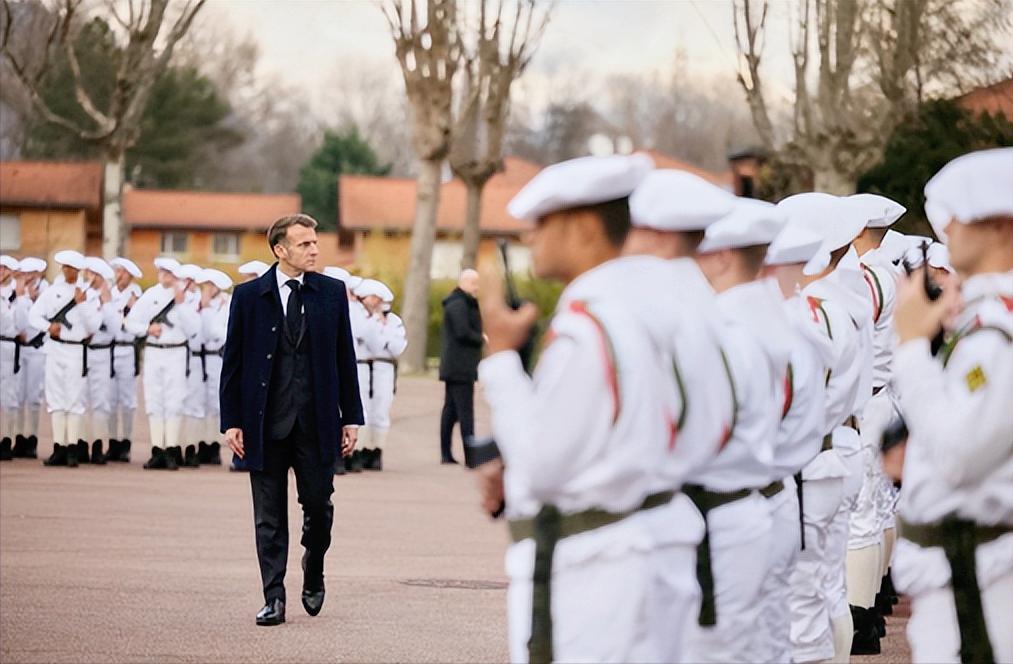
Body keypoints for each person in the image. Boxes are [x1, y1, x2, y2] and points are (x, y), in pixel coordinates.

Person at [476, 154, 671, 663]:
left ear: (584, 228)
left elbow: (541, 464)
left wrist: (499, 357)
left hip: (589, 569)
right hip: (623, 552)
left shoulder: (589, 328)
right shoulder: (634, 310)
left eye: (542, 223)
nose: (529, 238)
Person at [887, 147, 1013, 663]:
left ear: (1002, 227)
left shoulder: (994, 333)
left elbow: (962, 454)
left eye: (964, 215)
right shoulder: (982, 319)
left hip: (975, 577)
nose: (950, 227)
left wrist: (913, 346)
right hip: (966, 571)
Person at [220, 213, 363, 627]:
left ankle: (313, 563)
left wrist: (350, 417)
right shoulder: (248, 297)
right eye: (304, 244)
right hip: (263, 423)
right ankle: (274, 596)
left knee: (318, 507)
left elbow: (344, 358)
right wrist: (231, 420)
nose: (314, 249)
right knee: (268, 515)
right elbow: (233, 362)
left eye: (315, 242)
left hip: (317, 422)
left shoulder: (332, 293)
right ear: (280, 250)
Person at [623, 169, 737, 662]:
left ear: (658, 235)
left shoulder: (650, 308)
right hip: (691, 506)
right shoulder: (708, 305)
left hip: (650, 514)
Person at [682, 198, 788, 663]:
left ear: (723, 256)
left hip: (718, 517)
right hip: (754, 503)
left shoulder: (726, 329)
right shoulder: (767, 318)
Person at [776, 193, 869, 663]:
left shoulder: (813, 309)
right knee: (827, 590)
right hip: (843, 448)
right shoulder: (846, 299)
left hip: (814, 461)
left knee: (801, 602)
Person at [760, 224, 835, 663]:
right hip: (805, 469)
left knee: (797, 615)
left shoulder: (784, 326)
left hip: (785, 480)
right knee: (804, 607)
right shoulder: (806, 321)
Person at [29, 250, 103, 468]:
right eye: (64, 267)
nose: (67, 271)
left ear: (78, 271)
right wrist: (48, 326)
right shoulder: (53, 292)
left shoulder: (88, 294)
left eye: (71, 268)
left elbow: (94, 326)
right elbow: (34, 315)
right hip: (55, 348)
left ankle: (72, 448)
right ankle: (58, 447)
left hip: (75, 350)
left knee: (74, 399)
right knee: (56, 398)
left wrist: (81, 304)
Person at [124, 257, 200, 470]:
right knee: (154, 400)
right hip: (154, 352)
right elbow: (131, 322)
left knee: (174, 401)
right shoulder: (151, 295)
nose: (164, 276)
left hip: (176, 352)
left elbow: (194, 328)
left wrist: (181, 303)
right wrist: (147, 329)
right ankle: (157, 449)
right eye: (161, 272)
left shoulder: (186, 297)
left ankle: (172, 449)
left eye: (168, 273)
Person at [356, 278, 406, 472]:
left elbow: (397, 347)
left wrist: (383, 329)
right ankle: (359, 449)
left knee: (381, 409)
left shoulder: (393, 321)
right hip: (363, 366)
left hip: (383, 366)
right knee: (364, 409)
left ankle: (376, 450)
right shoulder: (360, 317)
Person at [439, 269, 483, 464]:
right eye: (474, 283)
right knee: (465, 411)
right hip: (459, 366)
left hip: (458, 364)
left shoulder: (462, 303)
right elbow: (462, 331)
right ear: (464, 282)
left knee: (452, 410)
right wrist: (481, 338)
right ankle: (470, 456)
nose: (476, 288)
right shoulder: (458, 304)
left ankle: (446, 453)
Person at [81, 257, 119, 465]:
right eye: (89, 273)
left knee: (100, 401)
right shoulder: (81, 296)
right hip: (81, 351)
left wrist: (106, 303)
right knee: (80, 399)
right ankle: (79, 444)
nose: (90, 278)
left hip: (102, 352)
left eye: (94, 274)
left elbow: (114, 329)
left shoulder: (108, 299)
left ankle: (97, 446)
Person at [107, 257, 143, 462]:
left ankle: (126, 442)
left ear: (129, 275)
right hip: (110, 349)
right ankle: (113, 441)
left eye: (121, 272)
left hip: (128, 349)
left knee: (128, 400)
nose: (118, 275)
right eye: (117, 271)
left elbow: (131, 324)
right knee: (111, 399)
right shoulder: (110, 294)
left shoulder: (135, 295)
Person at [195, 268, 232, 465]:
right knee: (200, 403)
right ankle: (202, 443)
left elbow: (217, 332)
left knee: (216, 404)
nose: (206, 289)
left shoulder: (226, 304)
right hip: (199, 358)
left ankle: (214, 446)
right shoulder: (198, 303)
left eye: (210, 286)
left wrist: (208, 309)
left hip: (218, 357)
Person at [12, 256, 47, 459]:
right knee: (17, 396)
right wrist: (23, 298)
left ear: (39, 274)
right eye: (24, 274)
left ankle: (31, 439)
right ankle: (18, 438)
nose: (28, 278)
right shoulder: (17, 293)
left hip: (36, 349)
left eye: (31, 274)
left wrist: (32, 300)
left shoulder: (47, 291)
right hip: (19, 349)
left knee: (33, 396)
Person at [0, 255, 29, 461]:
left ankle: (6, 440)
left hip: (9, 345)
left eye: (4, 268)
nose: (1, 272)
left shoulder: (19, 296)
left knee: (8, 395)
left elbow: (22, 327)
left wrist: (18, 298)